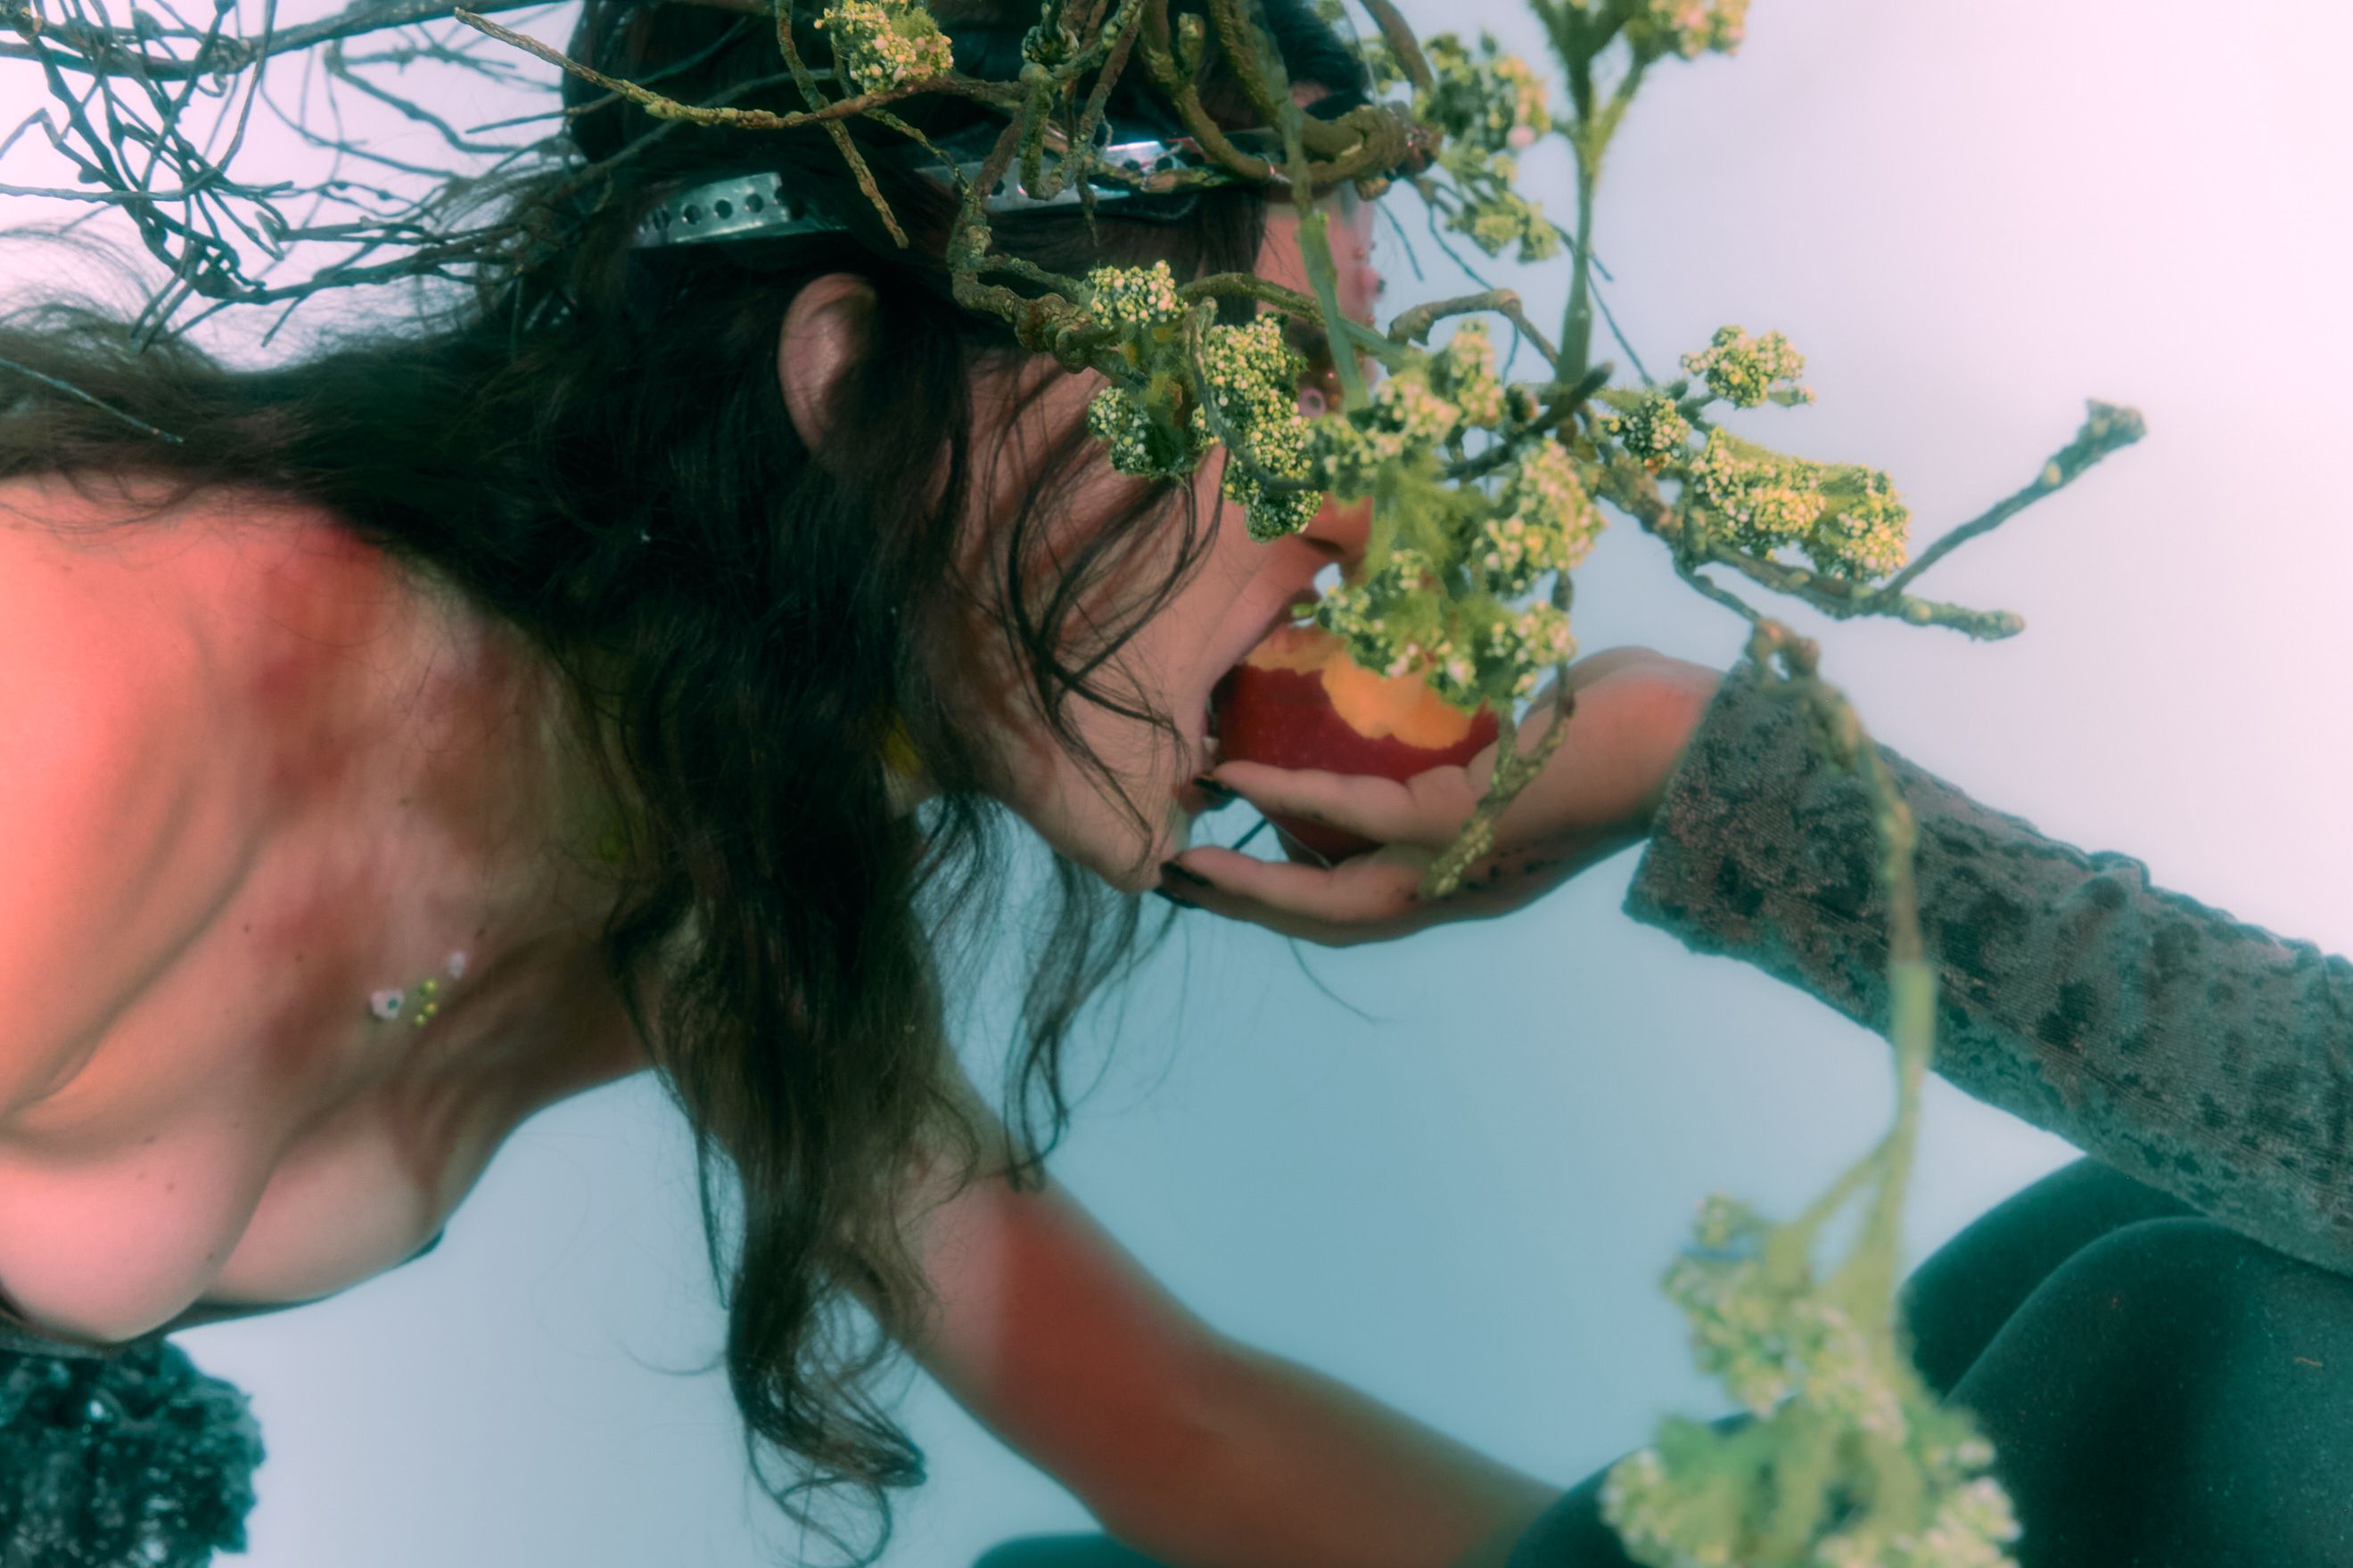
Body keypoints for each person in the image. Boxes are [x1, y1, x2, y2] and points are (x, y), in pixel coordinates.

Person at [1, 2, 2348, 1567]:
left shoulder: (713, 877)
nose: (1357, 529)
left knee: (2195, 1320)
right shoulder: (102, 685)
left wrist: (1705, 787)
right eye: (1250, 396)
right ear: (849, 388)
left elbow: (1191, 1427)